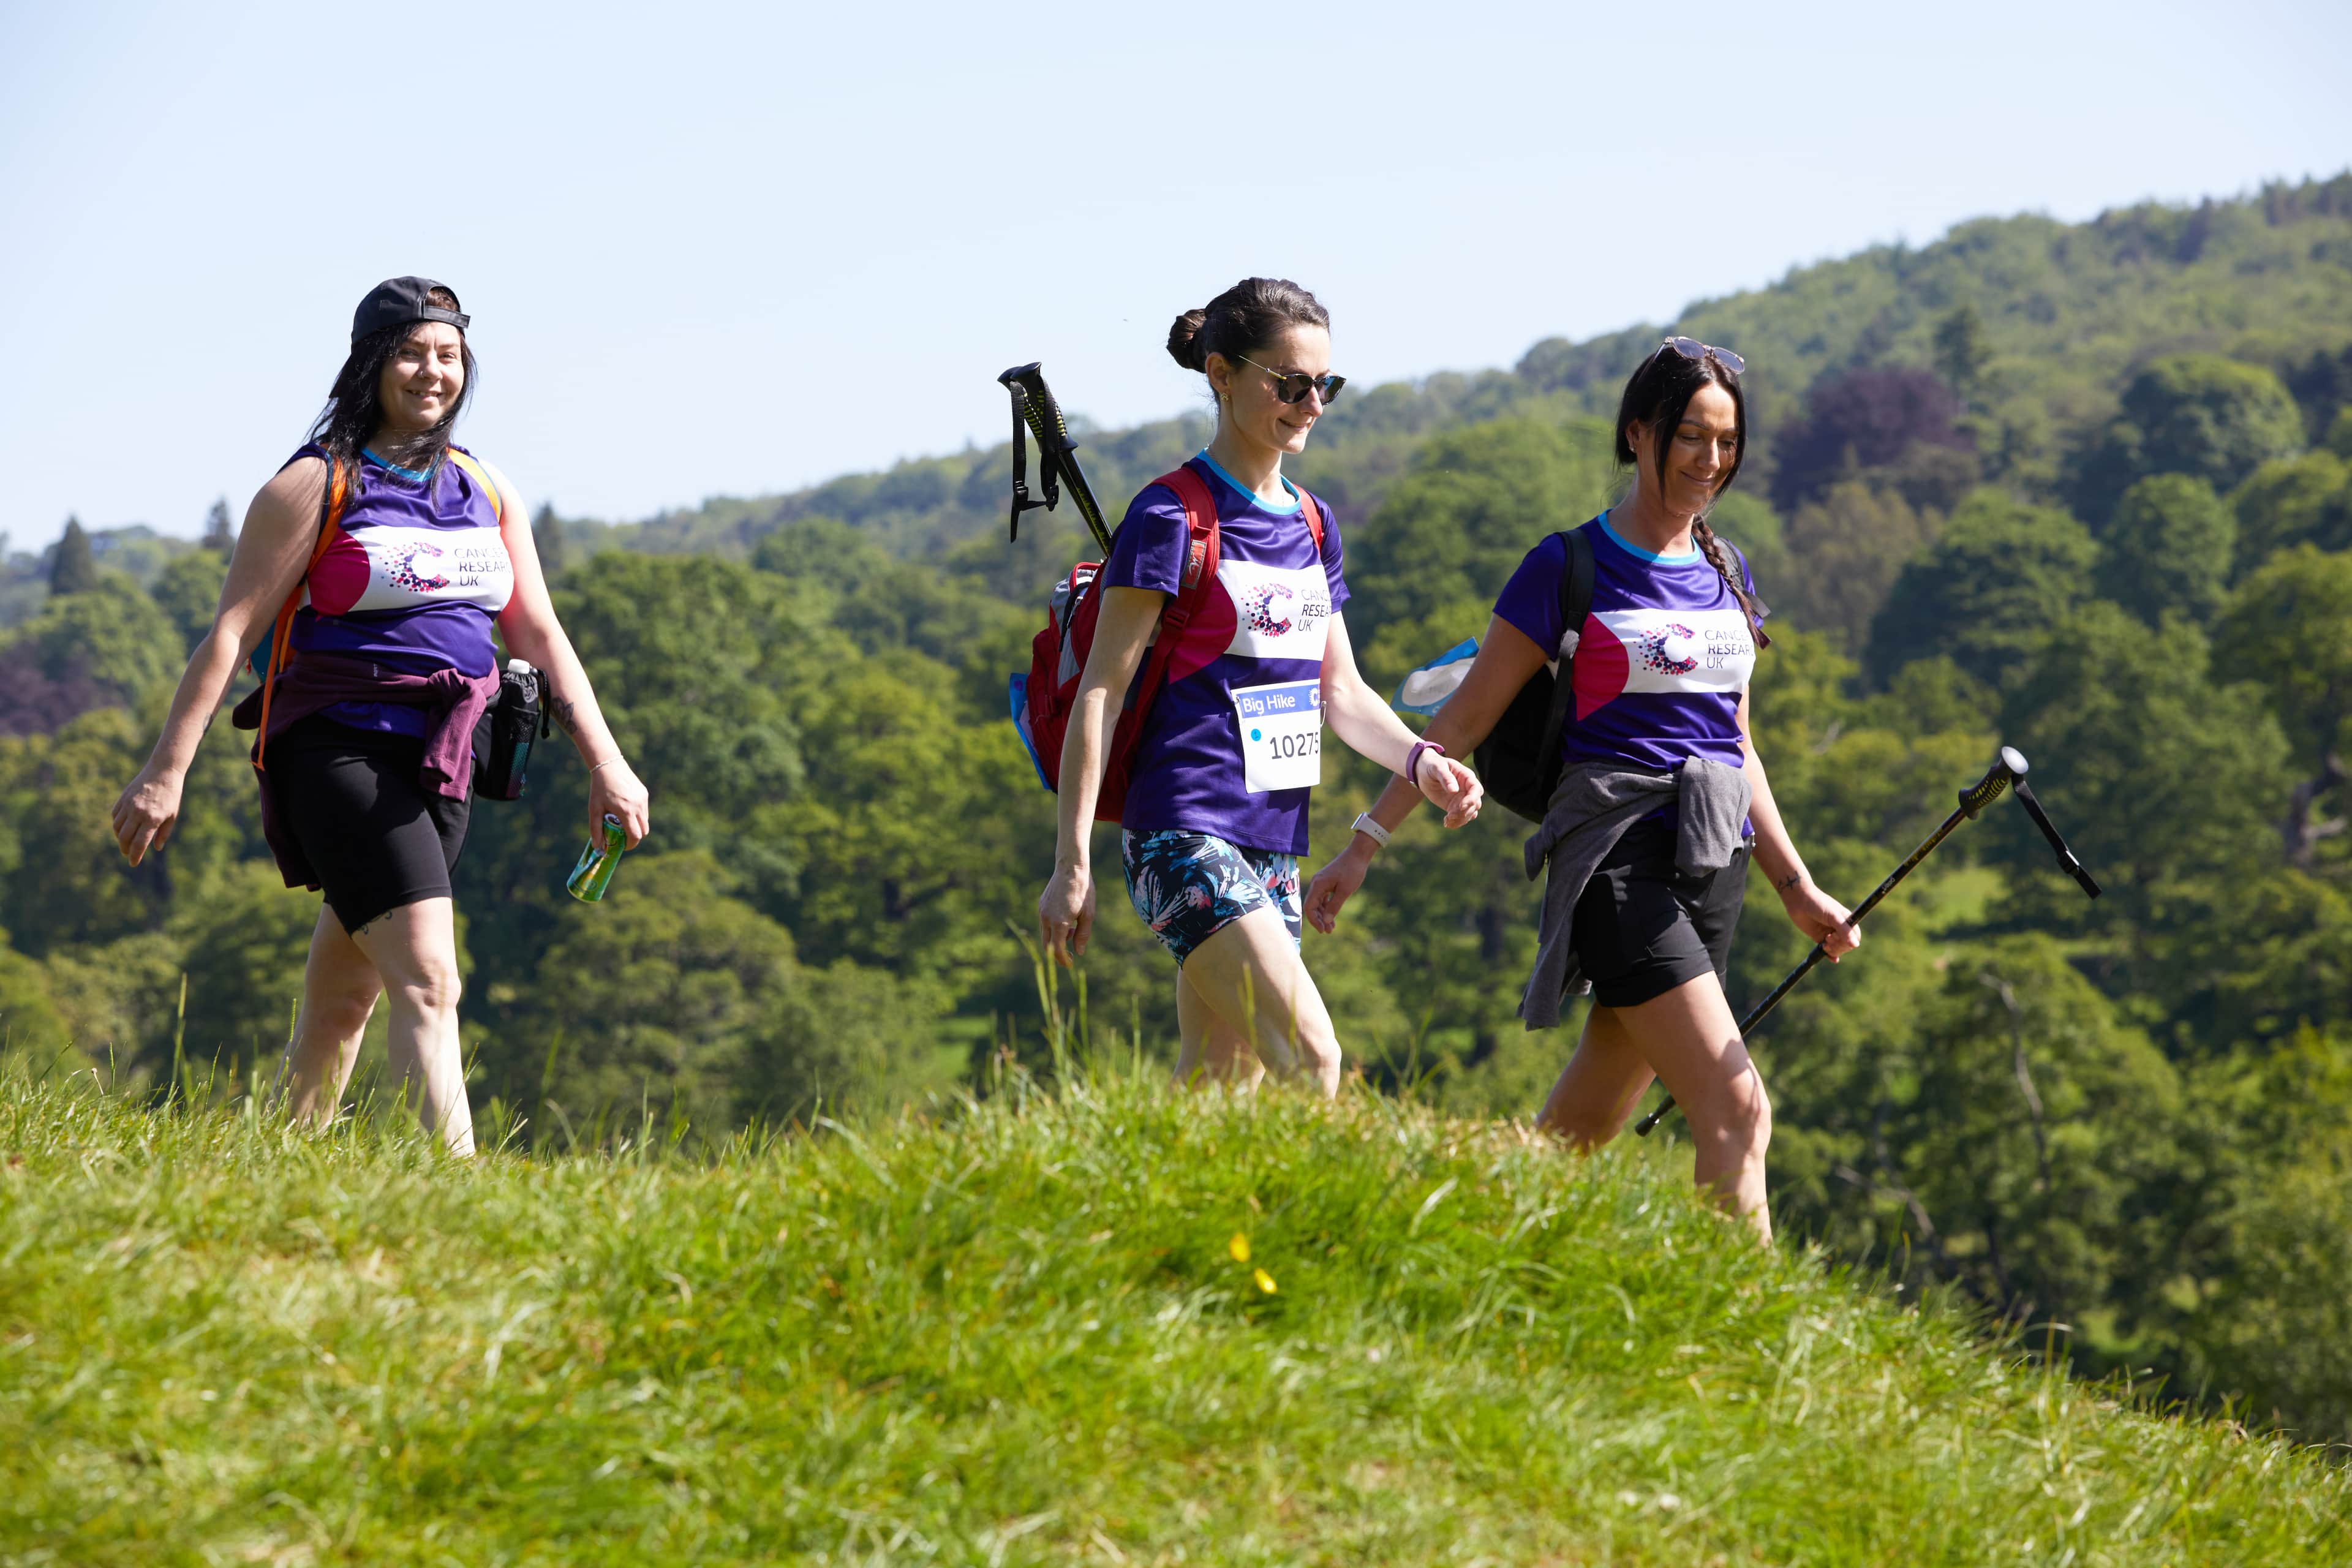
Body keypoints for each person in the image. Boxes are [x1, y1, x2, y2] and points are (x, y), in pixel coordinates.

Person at [1303, 339, 1856, 1238]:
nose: (1709, 460)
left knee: (1578, 1135)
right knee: (1738, 1109)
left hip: (1715, 862)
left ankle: (1452, 1249)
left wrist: (1798, 888)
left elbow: (1738, 743)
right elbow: (1461, 725)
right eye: (1689, 436)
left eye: (1727, 442)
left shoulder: (1729, 572)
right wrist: (1365, 842)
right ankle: (1748, 1355)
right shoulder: (1565, 567)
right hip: (1616, 860)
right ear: (1637, 434)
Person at [110, 277, 650, 1155]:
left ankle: (285, 1164)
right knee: (432, 980)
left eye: (448, 355)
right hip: (337, 752)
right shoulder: (315, 483)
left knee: (343, 999)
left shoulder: (486, 487)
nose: (432, 372)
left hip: (446, 757)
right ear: (372, 363)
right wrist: (165, 770)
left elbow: (539, 634)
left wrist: (606, 762)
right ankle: (459, 1191)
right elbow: (230, 633)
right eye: (412, 352)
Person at [1037, 277, 1483, 1093]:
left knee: (1218, 1084)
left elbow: (1340, 693)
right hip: (1183, 829)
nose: (1310, 404)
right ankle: (1323, 1226)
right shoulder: (1171, 516)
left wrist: (1421, 760)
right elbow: (1101, 691)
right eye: (1288, 383)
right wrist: (1072, 863)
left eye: (1325, 386)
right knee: (1314, 1060)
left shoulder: (1314, 524)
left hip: (1273, 838)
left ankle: (1143, 1223)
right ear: (1222, 376)